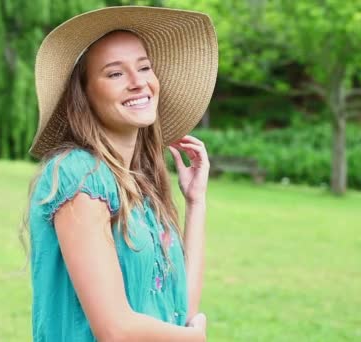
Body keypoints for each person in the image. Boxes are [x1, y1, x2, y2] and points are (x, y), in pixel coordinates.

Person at [24, 6, 218, 341]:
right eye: (115, 74)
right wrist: (194, 339)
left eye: (144, 67)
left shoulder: (139, 188)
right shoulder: (79, 175)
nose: (138, 82)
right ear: (83, 94)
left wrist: (196, 202)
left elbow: (180, 311)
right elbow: (115, 330)